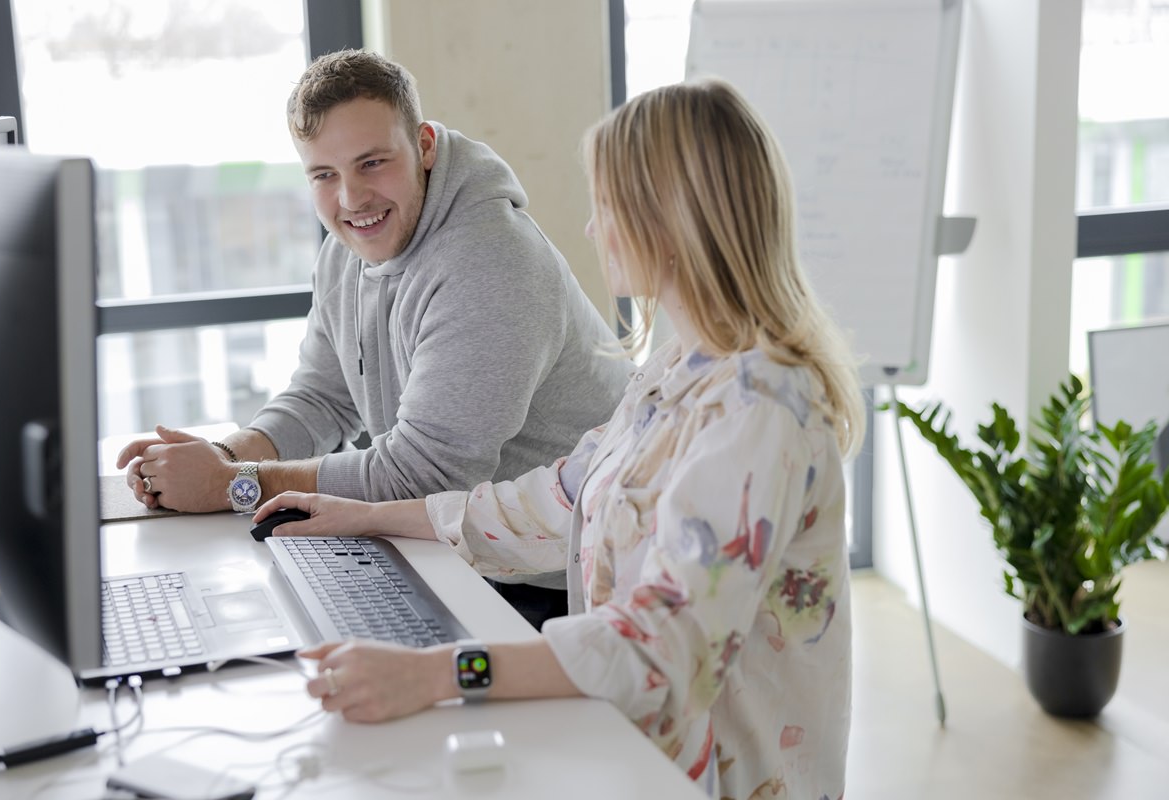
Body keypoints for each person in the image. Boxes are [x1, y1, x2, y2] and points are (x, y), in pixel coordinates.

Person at [251, 79, 867, 799]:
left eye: (607, 208)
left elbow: (658, 648)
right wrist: (365, 516)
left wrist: (433, 675)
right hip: (636, 750)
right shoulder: (679, 365)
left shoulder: (762, 409)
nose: (591, 229)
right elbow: (554, 498)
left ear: (671, 221)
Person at [115, 50, 630, 628]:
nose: (352, 199)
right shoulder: (347, 249)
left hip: (562, 580)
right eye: (324, 175)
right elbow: (321, 397)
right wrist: (226, 456)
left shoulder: (491, 262)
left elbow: (425, 475)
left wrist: (231, 486)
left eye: (373, 163)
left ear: (425, 146)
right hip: (450, 548)